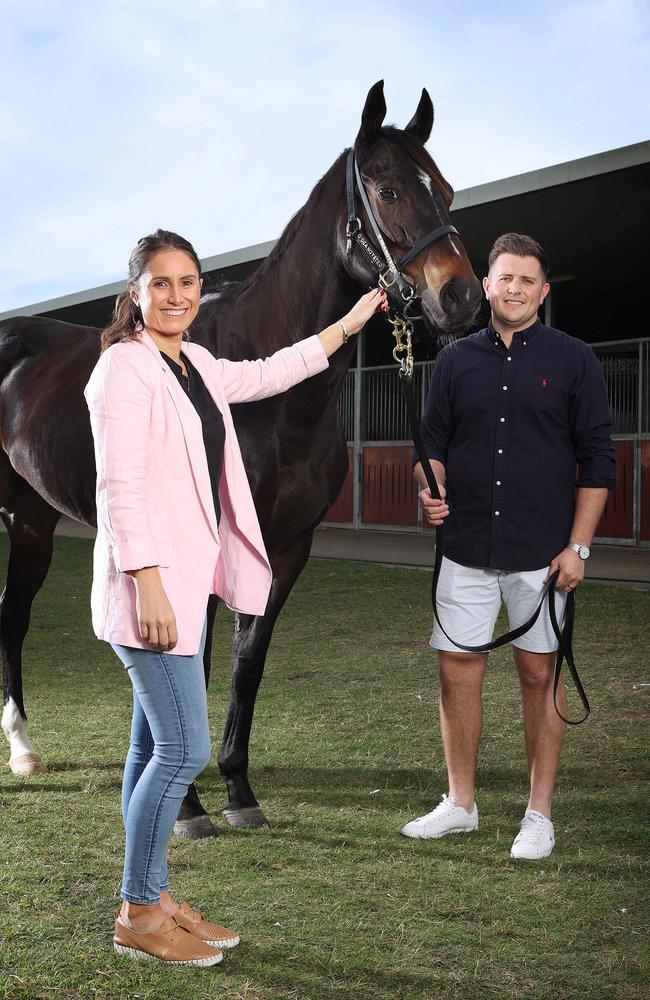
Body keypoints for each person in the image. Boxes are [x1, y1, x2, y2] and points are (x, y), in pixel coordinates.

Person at [85, 229, 387, 965]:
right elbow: (120, 492)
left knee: (149, 745)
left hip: (186, 588)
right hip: (148, 592)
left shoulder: (195, 365)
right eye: (161, 283)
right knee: (184, 748)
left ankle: (151, 897)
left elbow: (274, 371)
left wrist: (348, 325)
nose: (178, 295)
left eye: (188, 282)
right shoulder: (121, 372)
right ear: (136, 294)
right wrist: (150, 585)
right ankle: (137, 910)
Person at [400, 232, 615, 860]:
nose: (515, 288)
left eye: (528, 280)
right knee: (456, 671)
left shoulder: (576, 360)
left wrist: (580, 547)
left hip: (544, 555)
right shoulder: (454, 362)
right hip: (463, 547)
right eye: (504, 278)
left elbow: (597, 462)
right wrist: (427, 483)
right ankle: (460, 804)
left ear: (543, 292)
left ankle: (538, 813)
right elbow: (428, 450)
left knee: (537, 673)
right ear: (486, 285)